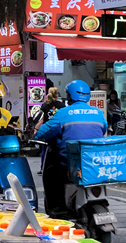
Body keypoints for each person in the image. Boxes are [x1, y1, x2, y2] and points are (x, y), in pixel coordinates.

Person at [36, 80, 107, 217]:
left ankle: (57, 208)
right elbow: (103, 129)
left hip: (69, 163)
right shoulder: (98, 113)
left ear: (69, 96)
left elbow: (42, 133)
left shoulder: (63, 113)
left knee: (52, 174)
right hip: (94, 161)